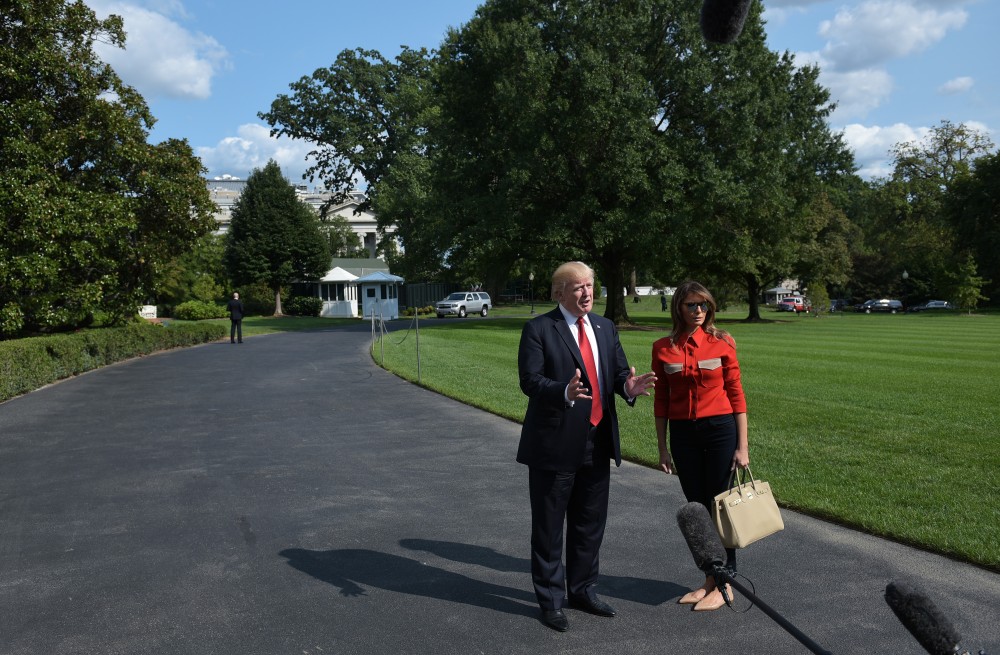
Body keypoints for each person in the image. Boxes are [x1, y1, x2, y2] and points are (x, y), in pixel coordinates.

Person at [516, 261, 657, 632]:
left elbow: (619, 373)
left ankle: (582, 590)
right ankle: (550, 600)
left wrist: (628, 387)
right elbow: (530, 380)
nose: (586, 292)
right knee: (549, 528)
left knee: (589, 523)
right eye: (577, 287)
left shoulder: (605, 327)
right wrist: (562, 391)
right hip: (554, 443)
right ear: (559, 292)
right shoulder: (539, 329)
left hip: (597, 440)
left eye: (590, 285)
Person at [651, 280, 748, 612]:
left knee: (720, 506)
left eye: (703, 305)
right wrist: (662, 448)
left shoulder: (722, 342)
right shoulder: (663, 347)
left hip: (720, 430)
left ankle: (726, 582)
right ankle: (710, 579)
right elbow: (661, 400)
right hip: (683, 434)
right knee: (697, 509)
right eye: (691, 305)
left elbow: (736, 394)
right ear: (678, 307)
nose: (698, 311)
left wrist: (743, 445)